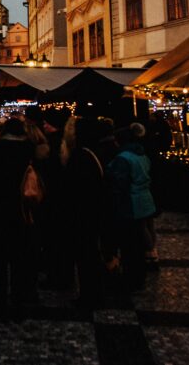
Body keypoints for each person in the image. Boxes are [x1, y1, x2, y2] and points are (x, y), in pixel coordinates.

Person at [0, 118, 37, 315]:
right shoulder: (29, 151)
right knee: (19, 258)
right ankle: (18, 302)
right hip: (21, 210)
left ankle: (1, 303)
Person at [66, 118, 111, 308]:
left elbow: (74, 188)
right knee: (91, 252)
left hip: (84, 213)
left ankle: (90, 294)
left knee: (86, 254)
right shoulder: (97, 152)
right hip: (95, 211)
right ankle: (94, 291)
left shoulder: (81, 156)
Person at [106, 125, 155, 292]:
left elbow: (119, 184)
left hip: (130, 204)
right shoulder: (141, 155)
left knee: (130, 244)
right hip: (145, 201)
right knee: (138, 241)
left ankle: (132, 278)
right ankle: (139, 275)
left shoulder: (123, 158)